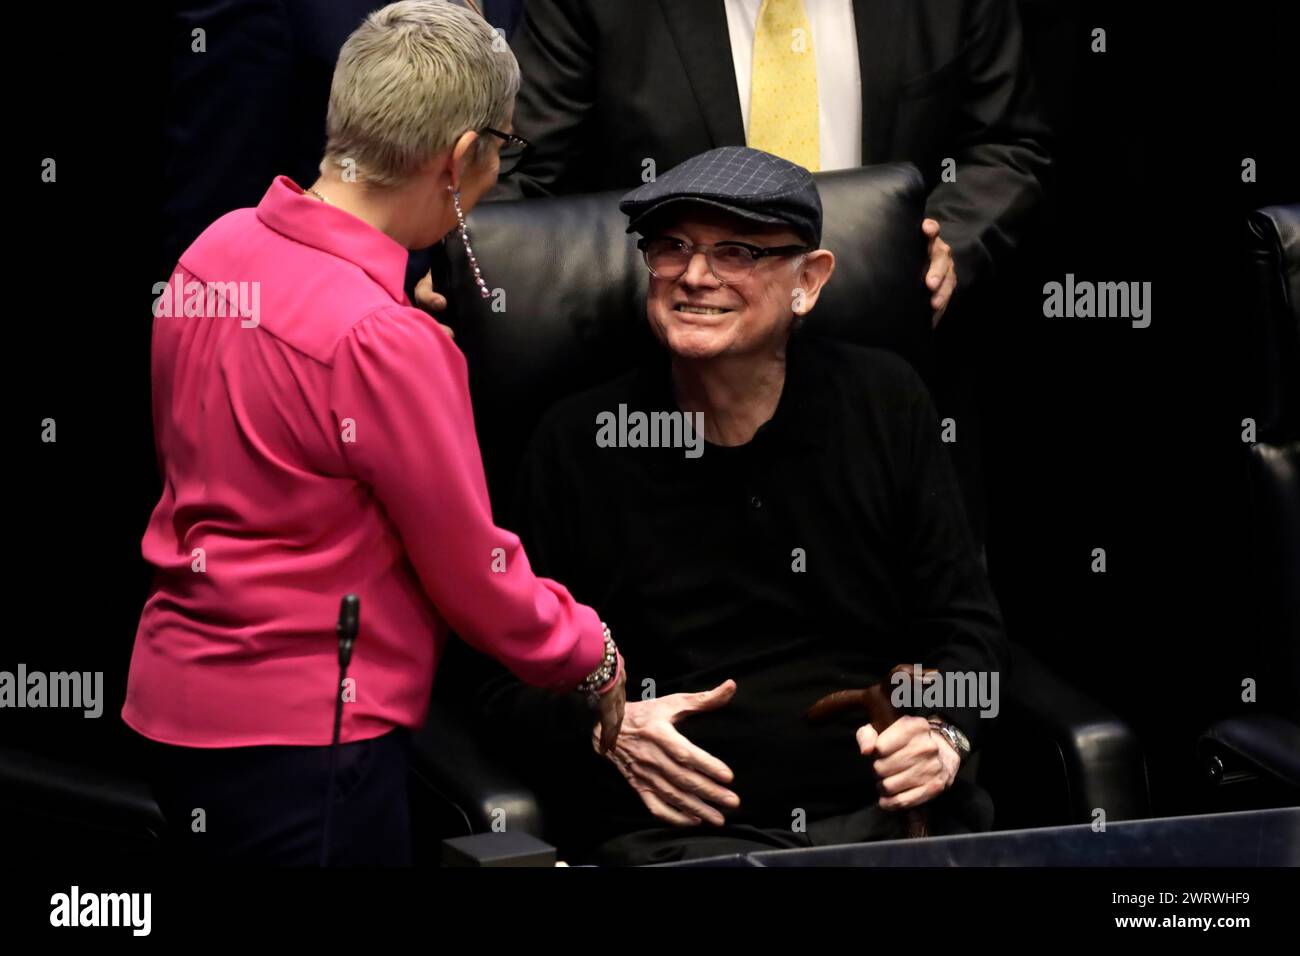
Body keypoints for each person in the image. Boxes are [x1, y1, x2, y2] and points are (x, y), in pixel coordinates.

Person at [124, 0, 625, 866]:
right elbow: (477, 576)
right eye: (503, 149)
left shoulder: (211, 252)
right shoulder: (388, 341)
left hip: (176, 702)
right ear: (462, 156)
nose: (498, 176)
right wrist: (589, 650)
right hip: (310, 740)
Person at [474, 146, 1009, 865]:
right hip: (680, 839)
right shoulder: (579, 441)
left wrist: (945, 733)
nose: (695, 276)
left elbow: (967, 630)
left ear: (809, 282)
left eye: (736, 252)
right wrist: (606, 725)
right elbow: (496, 687)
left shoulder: (887, 402)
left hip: (881, 819)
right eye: (672, 249)